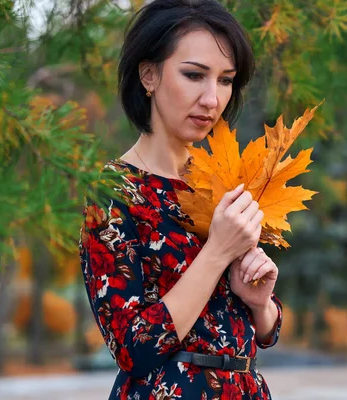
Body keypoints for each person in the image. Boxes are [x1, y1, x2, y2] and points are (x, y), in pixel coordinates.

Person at [78, 0, 283, 398]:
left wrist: (261, 305)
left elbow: (263, 330)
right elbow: (131, 348)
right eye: (194, 75)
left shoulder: (222, 178)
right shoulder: (113, 192)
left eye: (226, 80)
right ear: (149, 75)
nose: (212, 99)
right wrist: (217, 252)